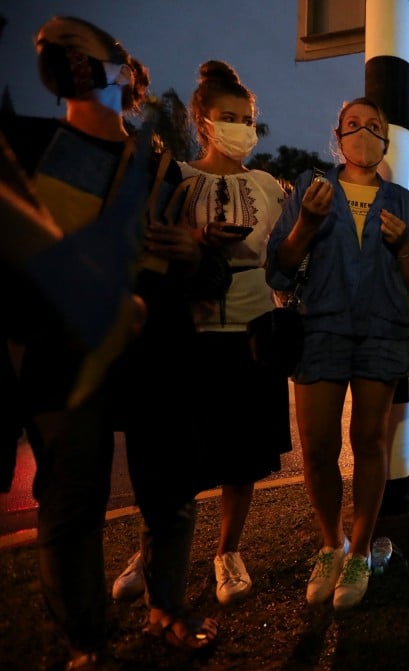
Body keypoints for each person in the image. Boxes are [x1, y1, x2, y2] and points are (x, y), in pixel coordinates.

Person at [2, 15, 222, 671]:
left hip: (155, 355)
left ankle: (166, 612)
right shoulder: (29, 152)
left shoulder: (160, 165)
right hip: (63, 355)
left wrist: (193, 253)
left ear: (125, 71)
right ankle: (86, 644)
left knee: (170, 493)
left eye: (81, 49)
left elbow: (203, 275)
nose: (66, 58)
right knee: (72, 500)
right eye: (53, 50)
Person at [112, 60, 290, 606]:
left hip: (252, 330)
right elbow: (147, 247)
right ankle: (155, 552)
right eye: (228, 117)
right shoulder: (178, 178)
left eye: (248, 118)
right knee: (176, 457)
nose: (241, 127)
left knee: (243, 457)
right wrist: (193, 238)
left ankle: (227, 552)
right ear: (203, 121)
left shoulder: (270, 188)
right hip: (186, 334)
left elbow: (285, 259)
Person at [266, 97, 409, 610]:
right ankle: (332, 545)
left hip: (381, 331)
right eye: (353, 125)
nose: (363, 133)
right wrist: (306, 223)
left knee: (370, 441)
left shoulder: (402, 202)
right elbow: (280, 269)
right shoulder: (312, 191)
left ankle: (360, 551)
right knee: (316, 446)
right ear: (337, 135)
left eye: (374, 126)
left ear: (386, 140)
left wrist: (403, 250)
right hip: (321, 328)